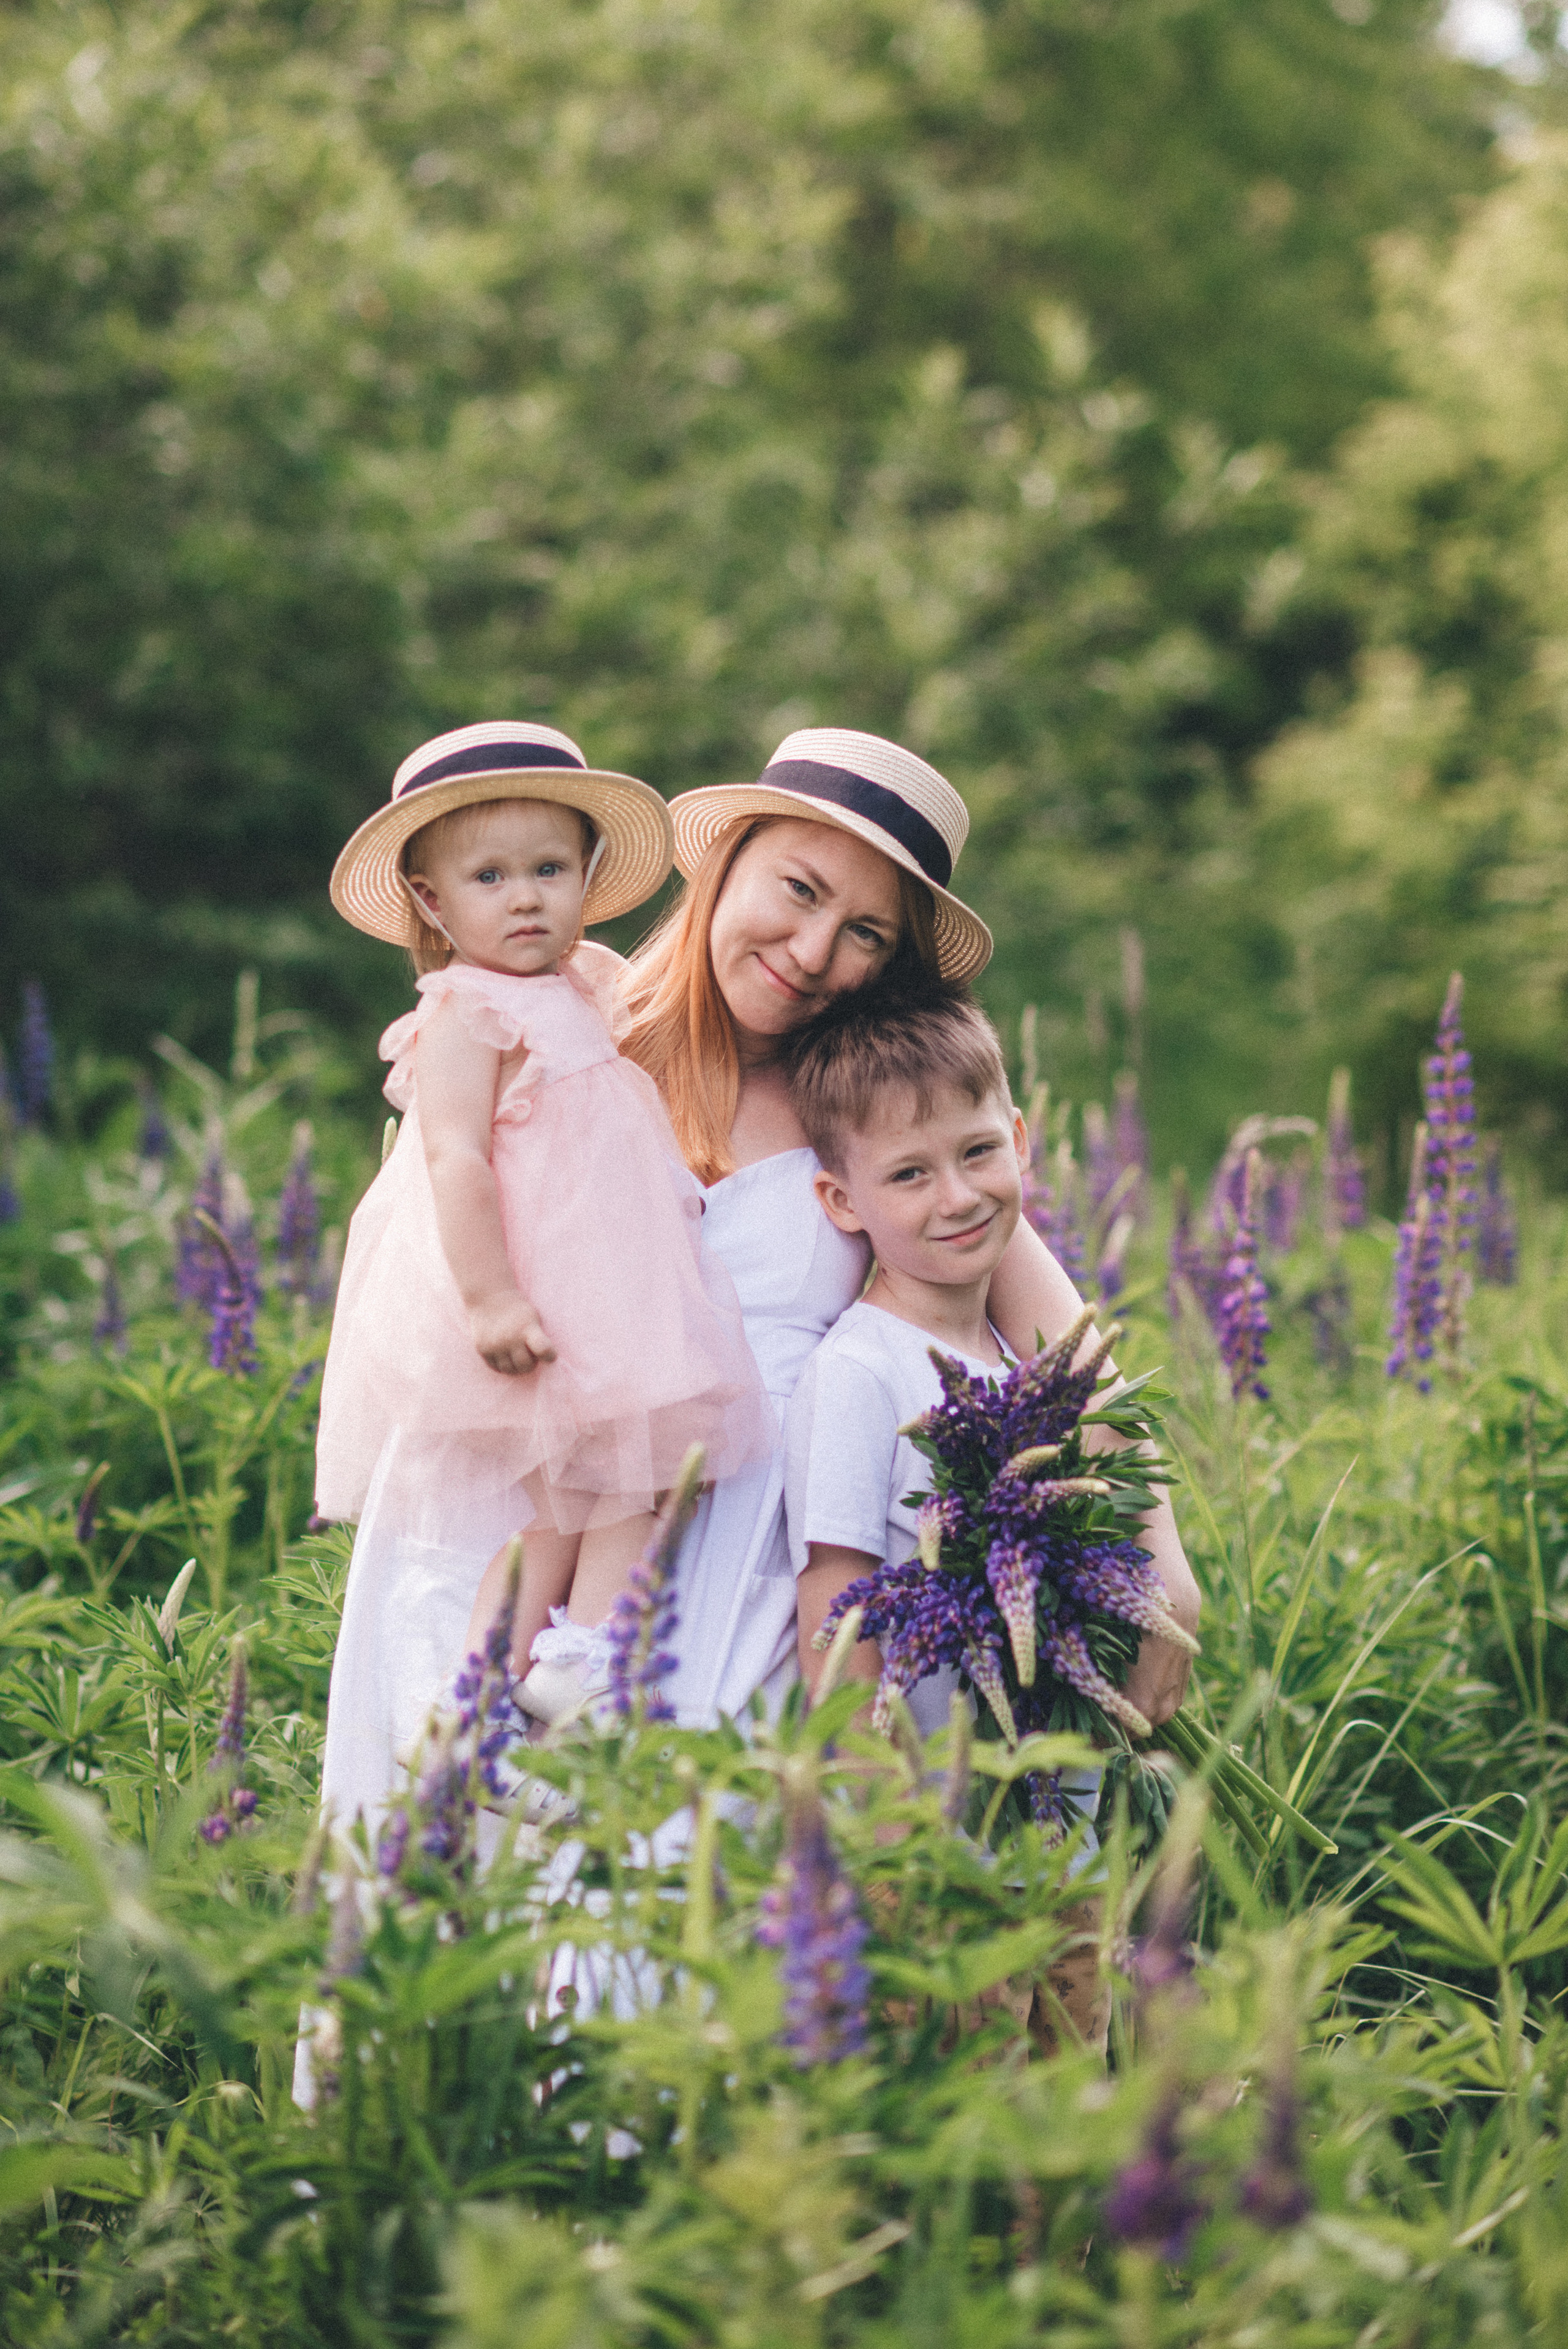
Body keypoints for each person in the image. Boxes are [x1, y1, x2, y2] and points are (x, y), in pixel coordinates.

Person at [616, 726, 1200, 1734]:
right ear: (727, 859)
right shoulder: (583, 1046)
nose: (813, 952)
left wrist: (1163, 1563)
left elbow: (1069, 1361)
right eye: (800, 889)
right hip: (588, 1571)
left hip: (793, 1584)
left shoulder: (868, 1113)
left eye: (867, 934)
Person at [315, 721, 772, 1806]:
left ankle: (585, 1663)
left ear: (590, 877)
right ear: (432, 903)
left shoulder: (590, 982)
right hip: (537, 1295)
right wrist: (488, 1298)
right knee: (554, 1508)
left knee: (640, 1474)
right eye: (490, 876)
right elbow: (455, 1157)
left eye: (550, 870)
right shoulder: (464, 1014)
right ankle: (472, 1698)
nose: (526, 899)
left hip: (620, 1290)